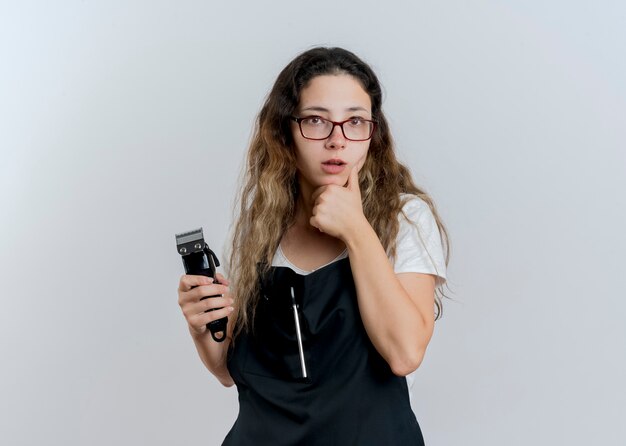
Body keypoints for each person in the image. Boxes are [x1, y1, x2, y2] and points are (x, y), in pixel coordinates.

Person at [177, 47, 449, 445]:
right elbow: (229, 372)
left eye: (355, 121)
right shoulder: (263, 224)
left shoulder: (404, 217)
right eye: (317, 121)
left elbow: (404, 352)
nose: (337, 140)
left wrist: (356, 231)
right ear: (285, 131)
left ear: (374, 133)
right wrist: (203, 327)